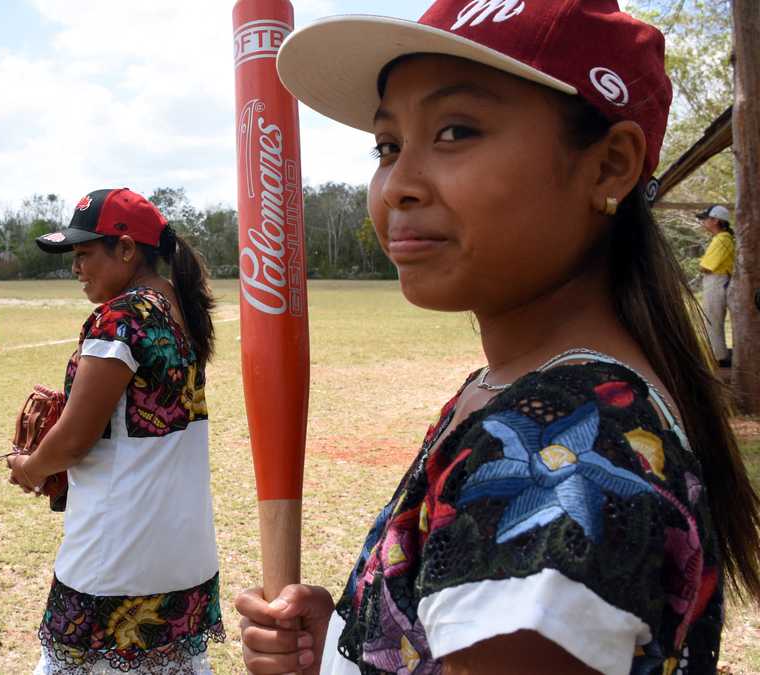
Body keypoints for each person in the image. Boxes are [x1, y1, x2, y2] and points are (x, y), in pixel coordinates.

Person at [236, 2, 760, 674]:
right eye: (389, 145)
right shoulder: (521, 391)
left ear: (609, 167)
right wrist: (345, 643)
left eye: (455, 131)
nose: (398, 184)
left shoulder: (563, 450)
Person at [7, 188, 223, 674]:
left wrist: (30, 468)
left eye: (85, 254)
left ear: (127, 250)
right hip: (182, 551)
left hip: (117, 553)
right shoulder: (180, 310)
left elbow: (74, 439)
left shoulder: (118, 318)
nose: (76, 268)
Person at [695, 205, 734, 367]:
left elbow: (706, 266)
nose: (703, 222)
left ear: (716, 220)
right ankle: (719, 354)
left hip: (717, 280)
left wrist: (701, 265)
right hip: (719, 280)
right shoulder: (723, 239)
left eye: (705, 218)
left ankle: (718, 357)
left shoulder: (722, 239)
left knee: (713, 320)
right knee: (713, 319)